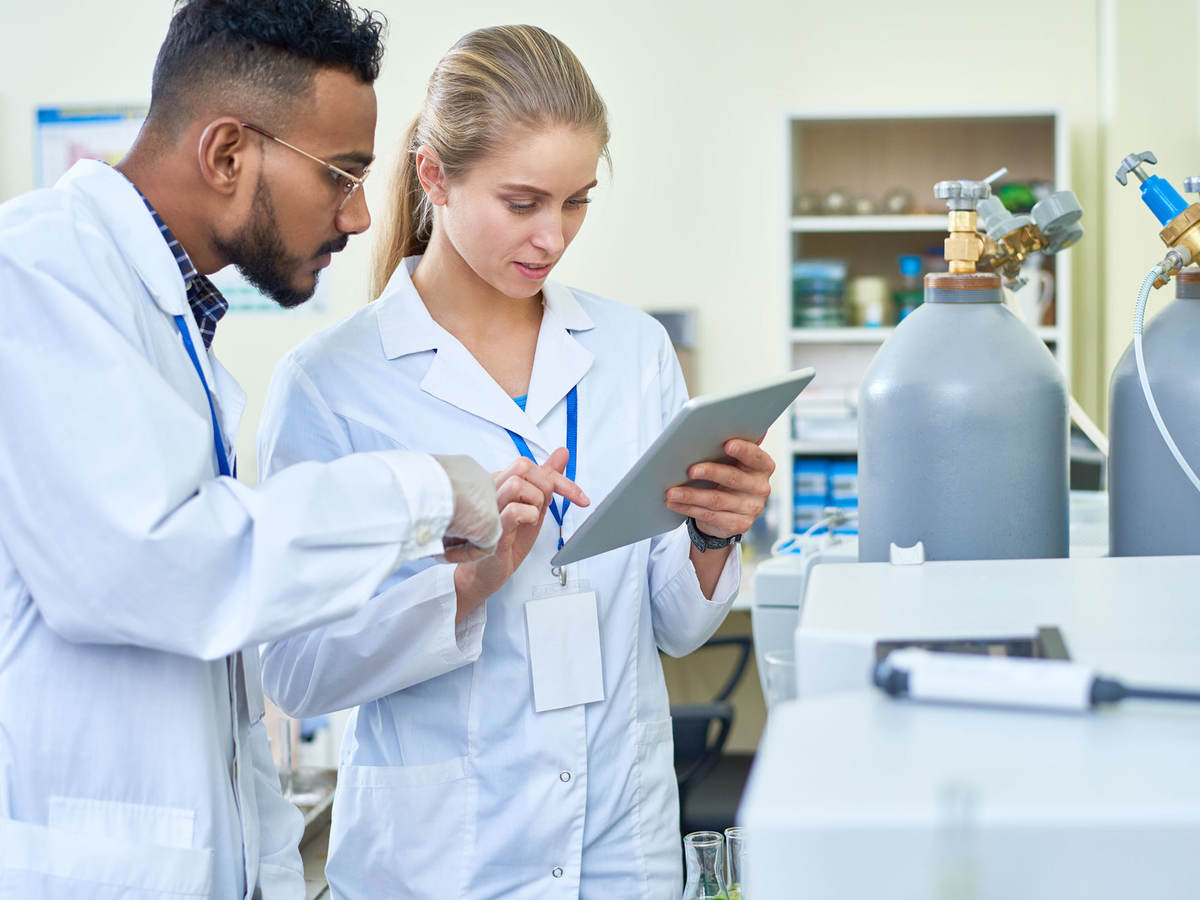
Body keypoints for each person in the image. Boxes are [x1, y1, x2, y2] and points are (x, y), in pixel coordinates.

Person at [0, 2, 508, 897]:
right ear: (228, 153)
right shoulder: (38, 273)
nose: (357, 217)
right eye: (341, 176)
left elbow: (221, 695)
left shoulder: (162, 312)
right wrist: (425, 490)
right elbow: (157, 565)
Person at [258, 24, 775, 898]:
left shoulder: (630, 350)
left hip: (620, 844)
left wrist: (713, 535)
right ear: (435, 177)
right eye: (523, 201)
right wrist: (467, 585)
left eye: (576, 202)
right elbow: (297, 674)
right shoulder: (332, 383)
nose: (553, 237)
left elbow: (676, 627)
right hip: (438, 862)